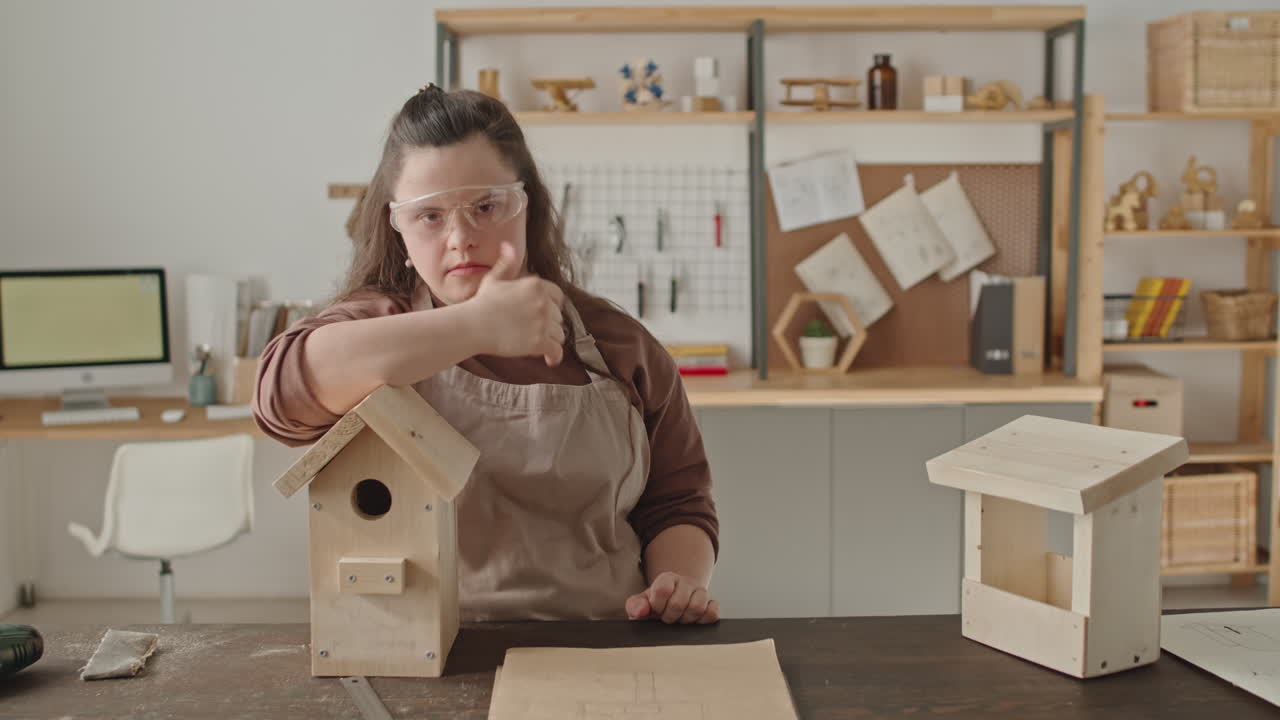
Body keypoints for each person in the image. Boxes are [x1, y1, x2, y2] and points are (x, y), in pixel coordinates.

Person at [252, 84, 719, 625]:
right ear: (396, 227)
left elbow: (679, 502)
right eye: (430, 215)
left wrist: (677, 582)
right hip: (433, 659)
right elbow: (280, 396)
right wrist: (475, 326)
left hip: (605, 644)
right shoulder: (375, 324)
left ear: (526, 206)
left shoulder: (620, 347)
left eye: (484, 206)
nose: (460, 238)